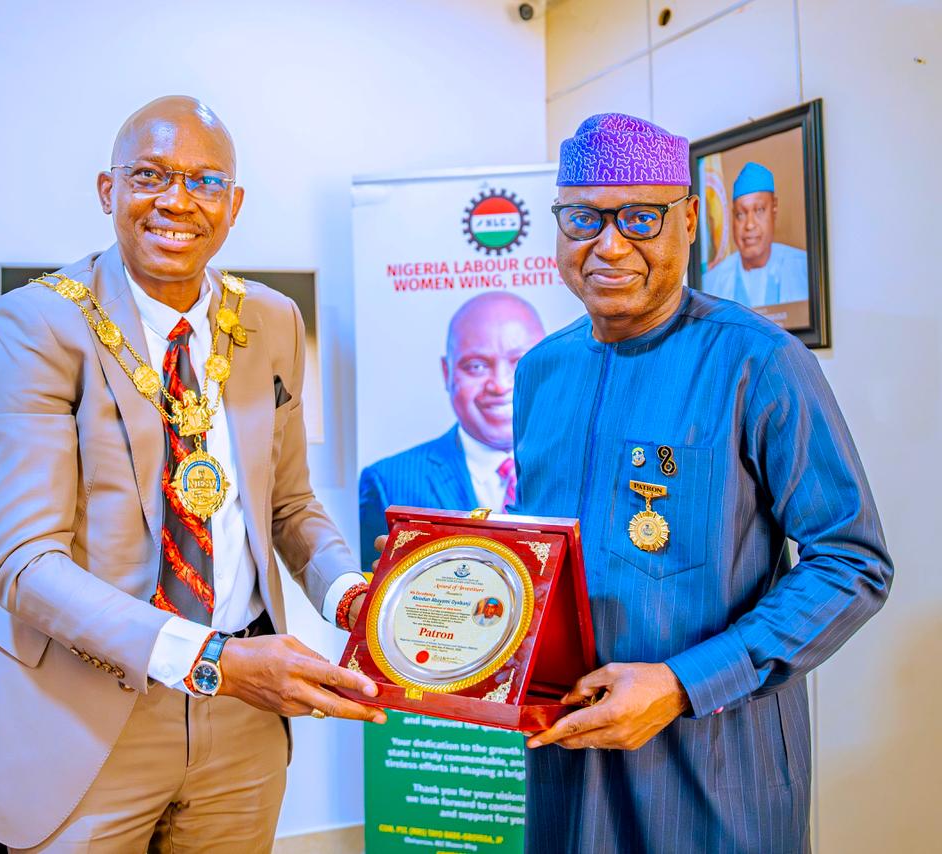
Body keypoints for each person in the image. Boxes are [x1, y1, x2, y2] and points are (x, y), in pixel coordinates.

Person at [0, 96, 384, 853]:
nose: (178, 201)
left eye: (205, 181)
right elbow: (25, 563)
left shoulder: (272, 319)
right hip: (86, 704)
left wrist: (350, 596)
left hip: (243, 720)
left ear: (234, 205)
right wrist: (211, 660)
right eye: (150, 175)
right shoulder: (41, 323)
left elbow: (288, 506)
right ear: (108, 190)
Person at [517, 113, 891, 852]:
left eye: (641, 218)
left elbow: (853, 561)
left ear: (688, 223)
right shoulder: (540, 371)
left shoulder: (759, 362)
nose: (609, 245)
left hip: (713, 761)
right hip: (568, 756)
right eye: (583, 218)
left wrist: (684, 683)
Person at [358, 292, 544, 568]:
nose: (501, 384)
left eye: (520, 363)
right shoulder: (388, 483)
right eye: (477, 366)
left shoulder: (586, 468)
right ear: (447, 373)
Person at [703, 161, 809, 306]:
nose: (750, 225)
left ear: (774, 208)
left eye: (759, 210)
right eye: (740, 214)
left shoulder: (804, 269)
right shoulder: (710, 283)